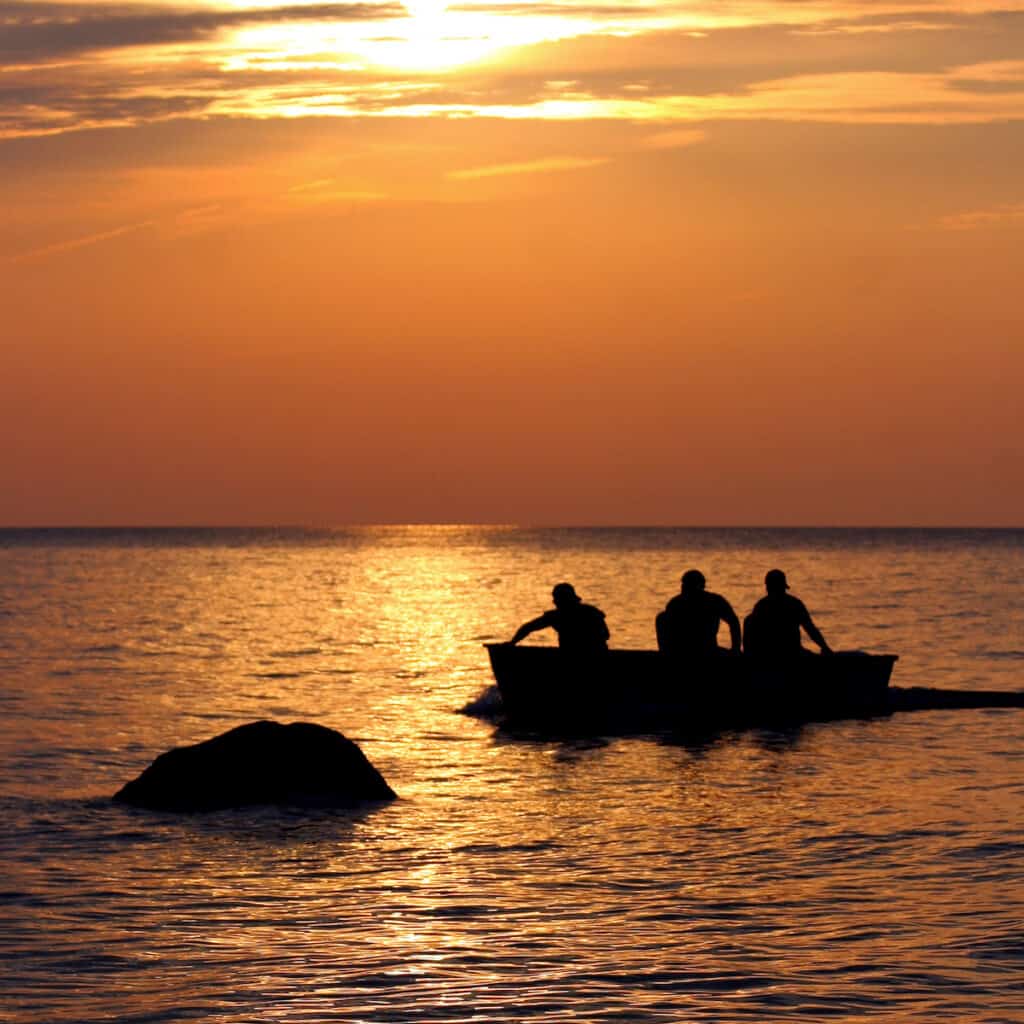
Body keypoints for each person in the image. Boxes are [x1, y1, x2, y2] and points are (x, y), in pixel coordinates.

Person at [743, 569, 832, 657]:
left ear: (767, 587)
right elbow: (810, 629)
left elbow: (811, 629)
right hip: (792, 652)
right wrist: (825, 647)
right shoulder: (795, 604)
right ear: (783, 587)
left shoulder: (761, 606)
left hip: (771, 653)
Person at [656, 569, 741, 657]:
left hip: (707, 648)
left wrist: (735, 649)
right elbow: (734, 622)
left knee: (661, 617)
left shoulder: (714, 601)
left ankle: (667, 654)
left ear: (701, 586)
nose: (684, 587)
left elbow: (733, 622)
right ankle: (667, 654)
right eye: (684, 584)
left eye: (689, 584)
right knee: (661, 617)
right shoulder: (675, 603)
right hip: (683, 649)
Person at [508, 582, 610, 652]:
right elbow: (529, 627)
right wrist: (513, 642)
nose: (554, 602)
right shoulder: (556, 616)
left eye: (557, 599)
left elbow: (605, 635)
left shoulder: (589, 612)